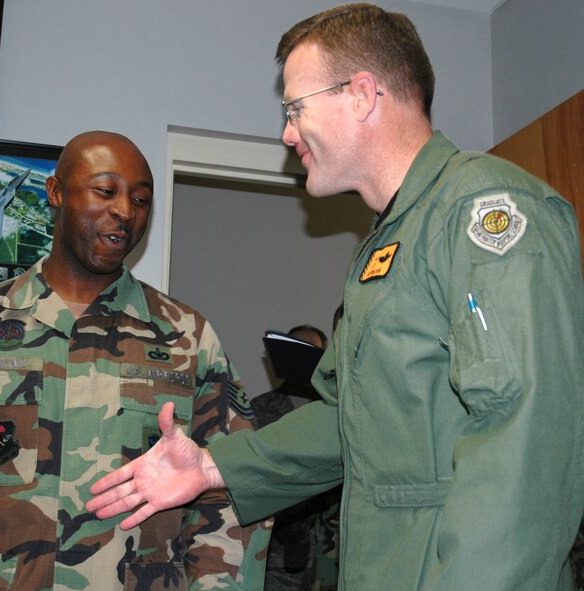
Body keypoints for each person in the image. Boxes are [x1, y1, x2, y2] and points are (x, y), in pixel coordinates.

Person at [87, 5, 584, 591]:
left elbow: (523, 440)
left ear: (363, 95)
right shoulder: (382, 248)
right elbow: (345, 419)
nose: (287, 133)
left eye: (295, 108)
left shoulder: (484, 209)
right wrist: (211, 465)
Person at [0, 131, 270, 591]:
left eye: (141, 199)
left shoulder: (186, 337)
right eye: (105, 191)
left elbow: (233, 490)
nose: (125, 212)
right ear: (56, 193)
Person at [251, 324, 327, 589]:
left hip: (329, 557)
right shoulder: (258, 411)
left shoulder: (335, 413)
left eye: (311, 350)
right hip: (275, 560)